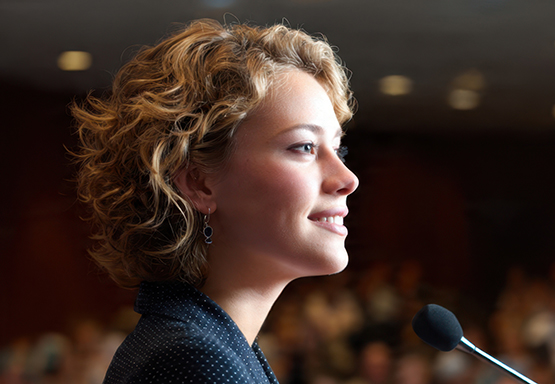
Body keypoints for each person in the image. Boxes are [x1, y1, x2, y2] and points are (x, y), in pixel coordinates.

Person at [71, 18, 359, 383]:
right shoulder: (195, 359)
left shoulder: (204, 340)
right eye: (304, 147)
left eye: (338, 149)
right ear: (199, 183)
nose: (348, 179)